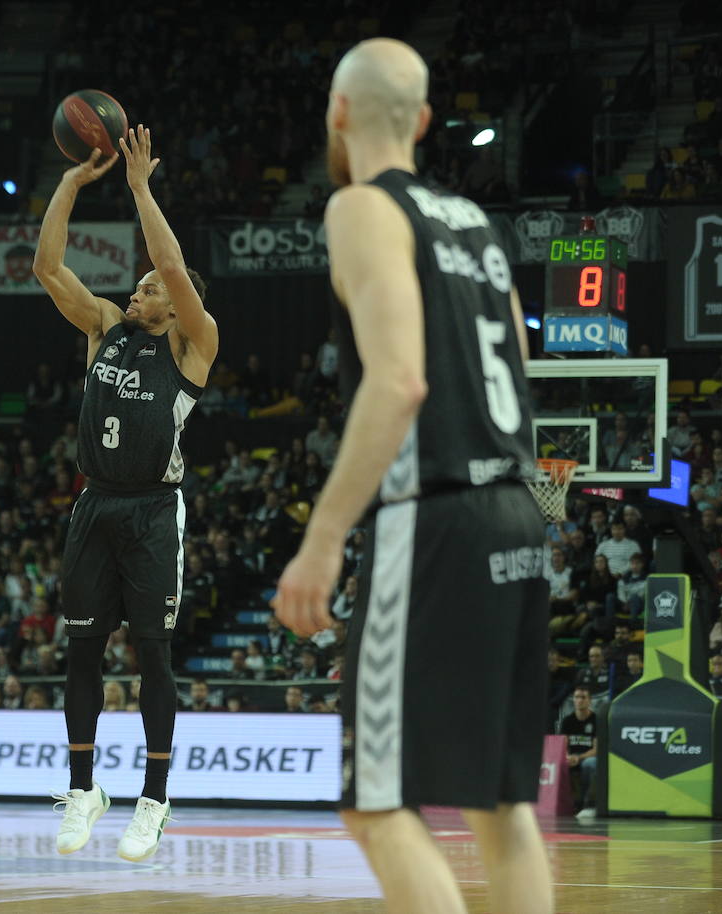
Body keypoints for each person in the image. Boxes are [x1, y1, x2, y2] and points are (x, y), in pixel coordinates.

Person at [272, 39, 552, 914]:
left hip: (433, 520)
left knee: (375, 803)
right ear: (426, 120)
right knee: (502, 808)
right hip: (517, 512)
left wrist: (321, 541)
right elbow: (523, 380)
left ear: (339, 112)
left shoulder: (358, 207)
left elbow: (399, 382)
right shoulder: (480, 226)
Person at [33, 126, 219, 863]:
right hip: (95, 502)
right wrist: (74, 183)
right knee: (82, 650)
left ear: (175, 305)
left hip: (151, 509)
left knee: (153, 652)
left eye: (150, 287)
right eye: (138, 284)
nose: (138, 288)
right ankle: (85, 788)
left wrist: (141, 187)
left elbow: (172, 263)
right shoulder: (107, 326)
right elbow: (49, 266)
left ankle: (155, 799)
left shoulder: (193, 342)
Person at [557, 687, 599, 815]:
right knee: (557, 764)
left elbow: (597, 749)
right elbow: (562, 745)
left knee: (591, 763)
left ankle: (588, 803)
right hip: (571, 757)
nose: (579, 700)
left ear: (590, 701)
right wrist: (567, 756)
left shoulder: (596, 720)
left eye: (583, 697)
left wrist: (579, 758)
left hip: (587, 756)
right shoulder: (567, 721)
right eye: (577, 697)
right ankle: (563, 804)